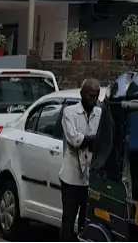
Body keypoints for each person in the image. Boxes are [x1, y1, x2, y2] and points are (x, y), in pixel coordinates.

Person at [59, 78, 101, 243]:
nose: (94, 99)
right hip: (71, 178)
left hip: (90, 179)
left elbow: (103, 141)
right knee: (68, 222)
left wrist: (89, 140)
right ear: (82, 94)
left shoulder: (99, 114)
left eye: (97, 96)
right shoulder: (69, 112)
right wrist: (93, 140)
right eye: (91, 95)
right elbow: (75, 140)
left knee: (87, 223)